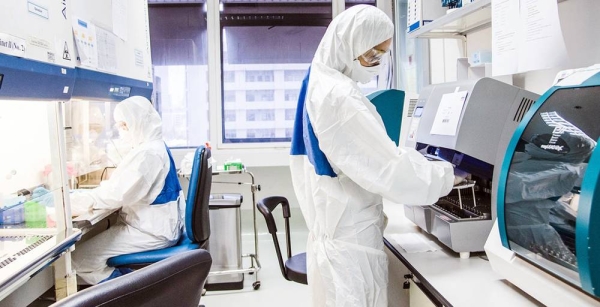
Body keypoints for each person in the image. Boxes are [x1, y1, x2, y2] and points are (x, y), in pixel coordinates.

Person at [290, 5, 455, 307]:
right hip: (351, 247)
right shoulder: (340, 98)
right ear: (348, 43)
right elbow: (389, 170)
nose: (377, 63)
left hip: (335, 234)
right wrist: (448, 176)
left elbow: (369, 158)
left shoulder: (318, 80)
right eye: (372, 54)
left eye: (382, 55)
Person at [71, 96, 184, 285]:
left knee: (81, 259)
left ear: (137, 122)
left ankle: (129, 296)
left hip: (151, 231)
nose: (121, 131)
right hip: (157, 225)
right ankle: (132, 286)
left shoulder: (147, 154)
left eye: (124, 126)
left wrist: (78, 202)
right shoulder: (154, 146)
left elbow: (116, 195)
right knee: (93, 253)